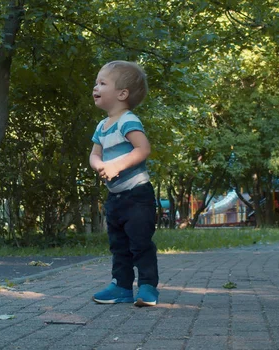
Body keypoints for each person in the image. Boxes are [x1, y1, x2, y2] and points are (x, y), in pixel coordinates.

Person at [89, 60, 159, 307]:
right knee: (119, 246)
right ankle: (121, 287)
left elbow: (143, 148)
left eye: (102, 83)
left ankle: (148, 287)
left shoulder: (127, 120)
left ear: (122, 94)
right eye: (96, 82)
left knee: (140, 243)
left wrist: (116, 165)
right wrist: (100, 165)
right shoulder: (102, 126)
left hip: (137, 195)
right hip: (116, 198)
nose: (95, 87)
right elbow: (94, 154)